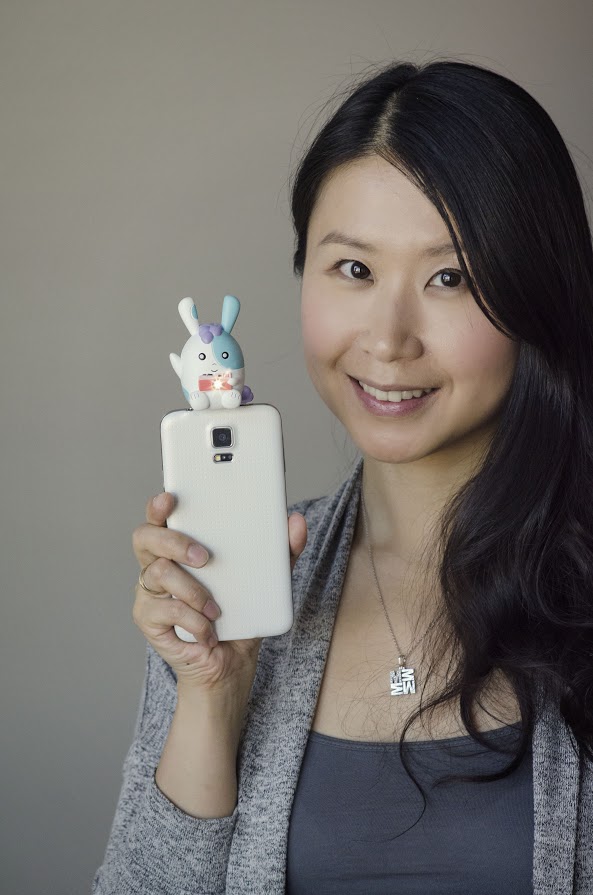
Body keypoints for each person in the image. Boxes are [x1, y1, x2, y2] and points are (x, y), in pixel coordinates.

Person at [92, 58, 593, 894]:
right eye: (353, 270)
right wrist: (212, 694)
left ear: (534, 292)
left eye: (450, 277)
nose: (388, 339)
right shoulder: (230, 579)